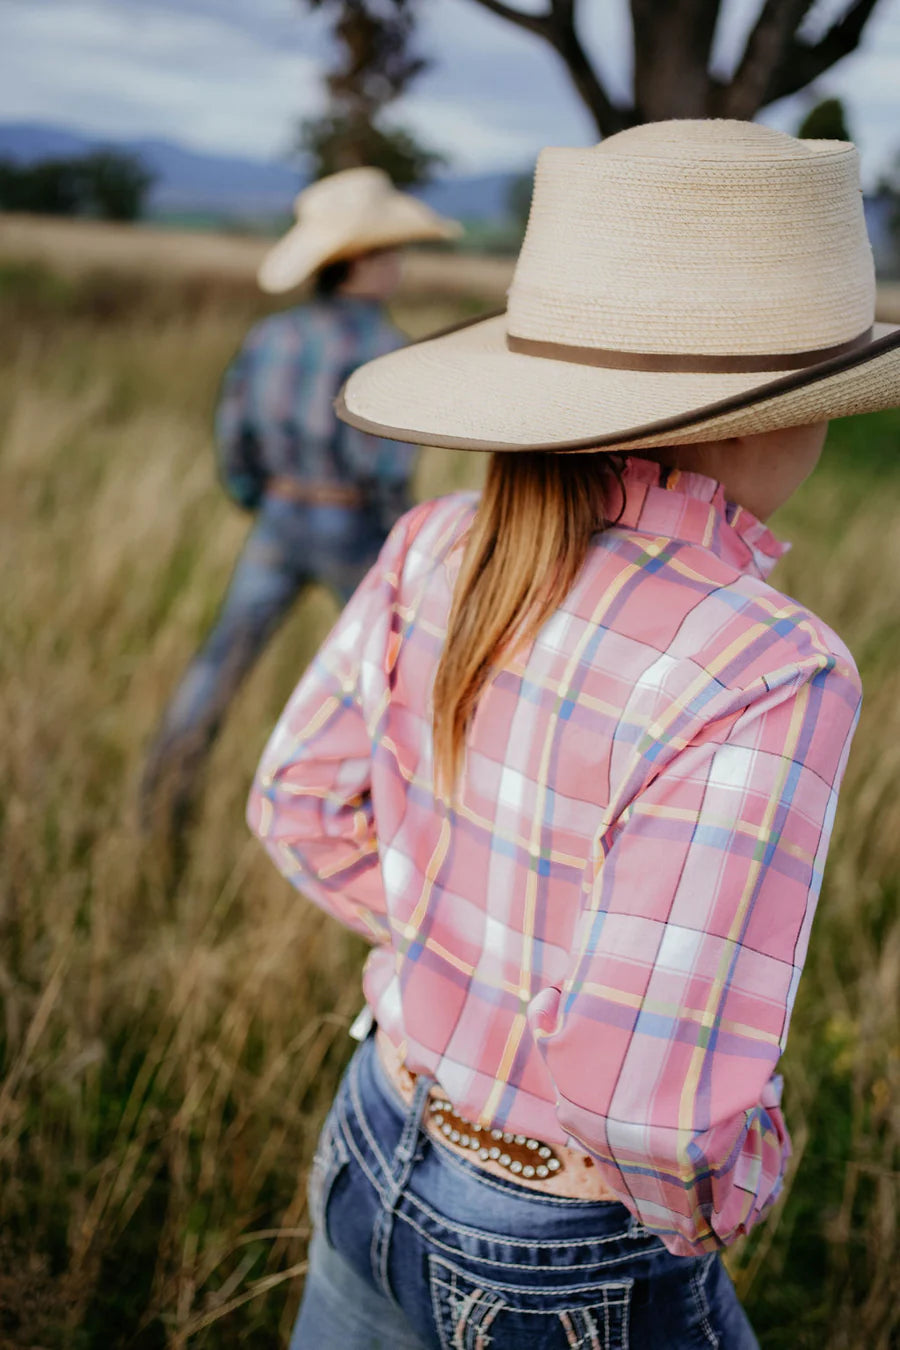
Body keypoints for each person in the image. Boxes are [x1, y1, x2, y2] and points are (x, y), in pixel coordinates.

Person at [247, 121, 900, 1349]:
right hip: (568, 1243)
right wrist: (733, 1192)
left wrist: (458, 948)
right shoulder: (770, 664)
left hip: (375, 1122)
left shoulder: (436, 544)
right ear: (760, 420)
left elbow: (297, 802)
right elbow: (648, 1111)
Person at [141, 167, 460, 835]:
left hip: (280, 518)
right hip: (352, 524)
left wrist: (261, 498)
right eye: (390, 253)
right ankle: (408, 828)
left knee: (220, 663)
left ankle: (160, 805)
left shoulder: (271, 337)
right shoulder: (385, 349)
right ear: (359, 261)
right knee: (396, 684)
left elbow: (234, 441)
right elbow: (385, 467)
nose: (398, 267)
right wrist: (395, 540)